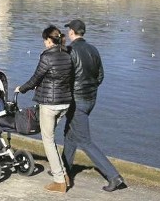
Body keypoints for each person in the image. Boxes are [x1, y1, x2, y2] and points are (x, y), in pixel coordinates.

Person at [61, 19, 126, 192]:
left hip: (77, 101)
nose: (68, 33)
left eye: (69, 30)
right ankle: (63, 170)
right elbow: (100, 76)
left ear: (73, 32)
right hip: (91, 100)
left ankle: (114, 176)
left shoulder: (70, 50)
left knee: (84, 140)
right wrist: (90, 89)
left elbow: (66, 78)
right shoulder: (93, 49)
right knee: (70, 135)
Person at [15, 25, 73, 193]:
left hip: (50, 104)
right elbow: (60, 78)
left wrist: (22, 88)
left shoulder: (47, 57)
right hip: (65, 103)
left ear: (49, 40)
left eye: (45, 40)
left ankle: (59, 181)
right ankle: (64, 175)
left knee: (47, 140)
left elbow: (36, 78)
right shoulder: (67, 55)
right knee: (52, 138)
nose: (44, 43)